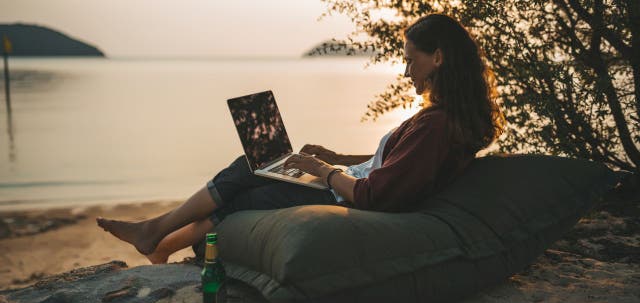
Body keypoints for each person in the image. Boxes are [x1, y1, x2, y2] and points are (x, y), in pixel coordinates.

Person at [96, 14, 505, 264]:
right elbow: (394, 162)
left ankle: (157, 235)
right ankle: (160, 241)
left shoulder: (436, 125)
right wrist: (336, 155)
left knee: (249, 183)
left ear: (438, 58)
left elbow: (374, 193)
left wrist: (324, 172)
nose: (405, 71)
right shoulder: (441, 121)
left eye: (410, 59)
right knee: (261, 163)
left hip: (344, 196)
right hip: (345, 180)